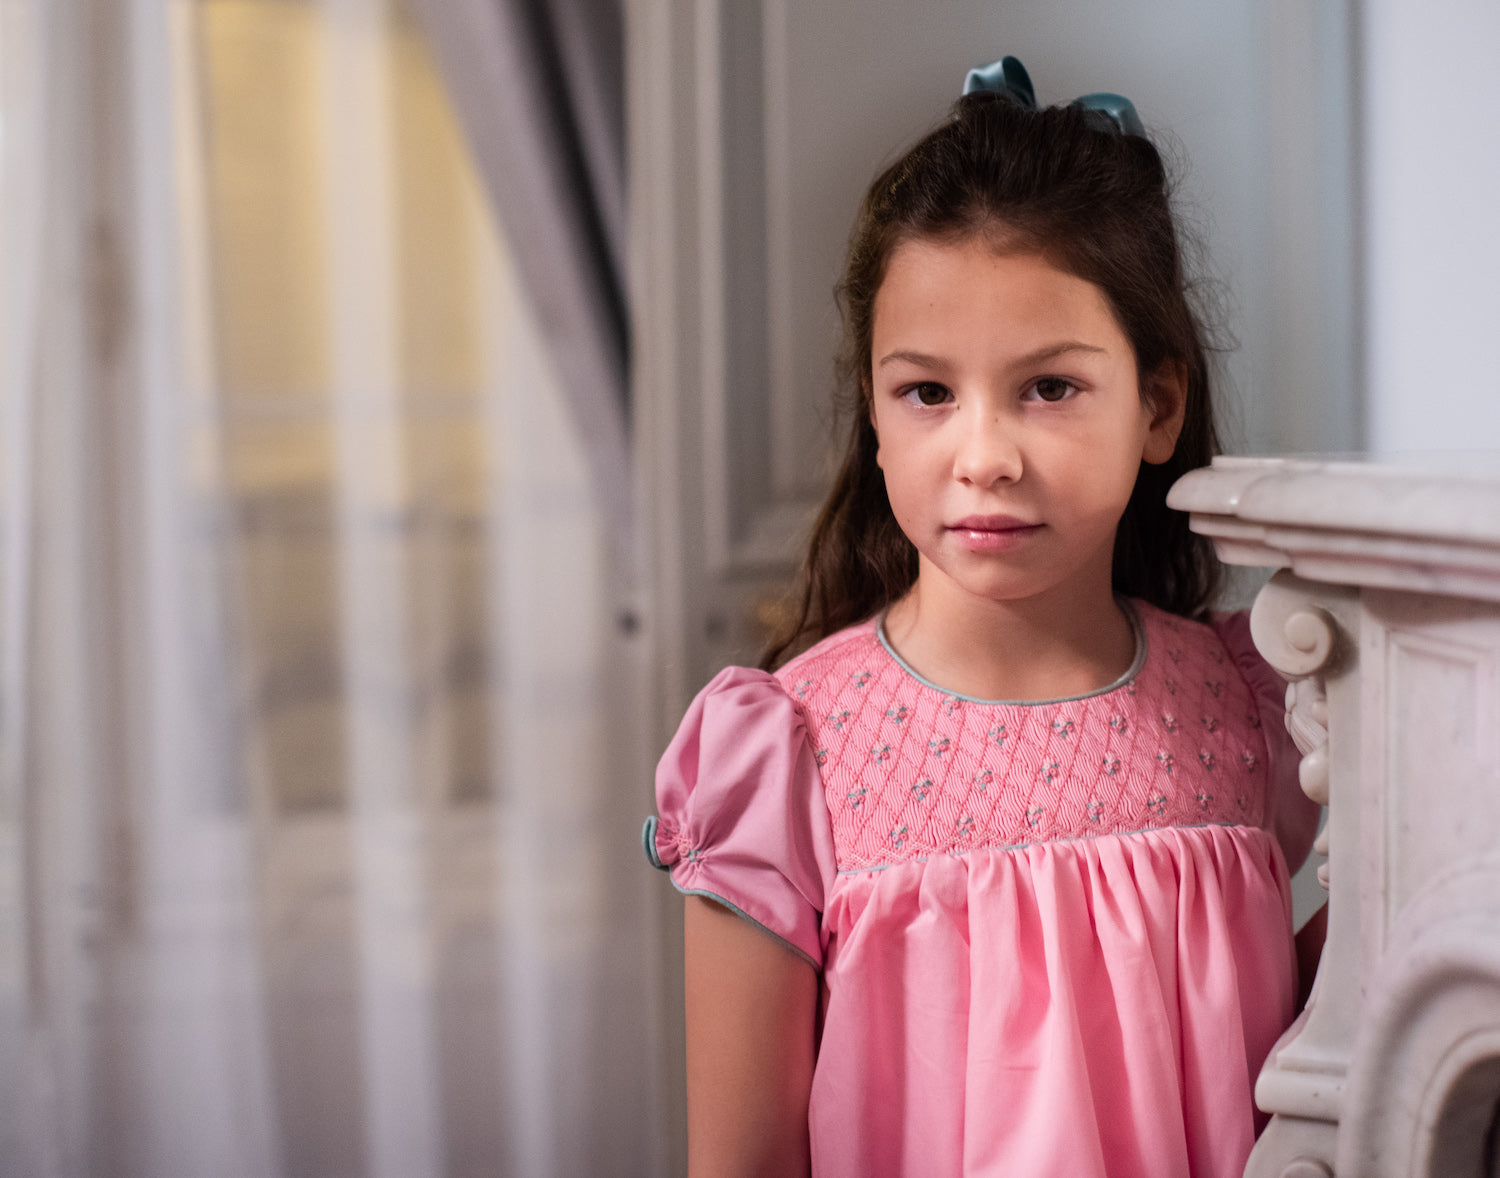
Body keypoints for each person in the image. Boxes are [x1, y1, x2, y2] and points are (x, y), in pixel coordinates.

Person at [643, 56, 1322, 1178]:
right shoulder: (786, 758)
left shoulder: (1255, 711)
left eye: (1049, 387)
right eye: (927, 392)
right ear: (873, 416)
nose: (985, 456)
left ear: (1157, 406)